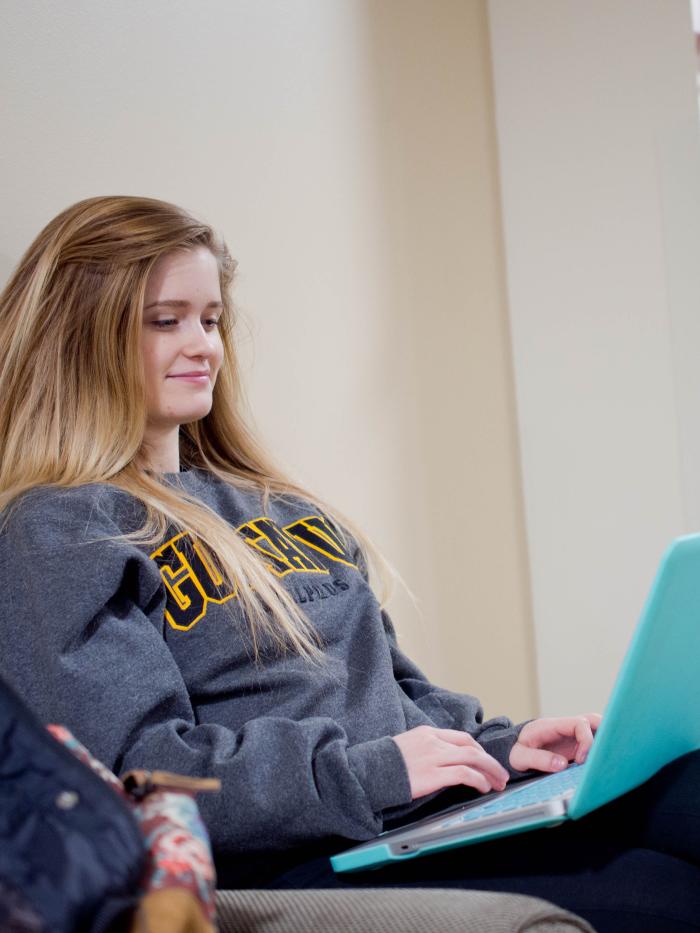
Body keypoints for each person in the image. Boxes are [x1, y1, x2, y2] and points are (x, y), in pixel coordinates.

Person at [0, 196, 698, 933]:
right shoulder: (60, 528)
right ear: (82, 335)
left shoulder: (283, 508)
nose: (203, 344)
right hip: (306, 855)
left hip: (415, 819)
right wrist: (372, 773)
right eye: (166, 320)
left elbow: (392, 693)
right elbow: (140, 775)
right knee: (668, 893)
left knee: (686, 785)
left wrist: (503, 745)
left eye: (211, 319)